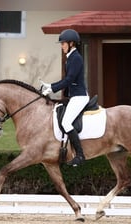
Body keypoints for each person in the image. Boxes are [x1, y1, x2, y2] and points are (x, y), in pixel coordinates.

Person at [41, 29, 89, 167]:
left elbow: (69, 80)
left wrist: (52, 88)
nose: (61, 46)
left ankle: (80, 155)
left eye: (63, 43)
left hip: (79, 97)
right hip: (74, 96)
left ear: (71, 43)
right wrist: (50, 85)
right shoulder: (71, 57)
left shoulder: (76, 58)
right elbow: (67, 80)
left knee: (66, 123)